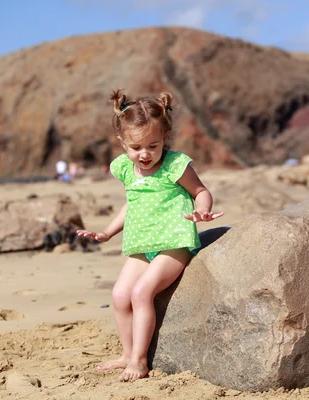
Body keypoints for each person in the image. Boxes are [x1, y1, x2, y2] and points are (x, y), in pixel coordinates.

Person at [76, 89, 224, 382]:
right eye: (136, 147)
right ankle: (126, 353)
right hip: (142, 244)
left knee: (141, 293)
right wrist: (107, 232)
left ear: (165, 138)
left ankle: (140, 360)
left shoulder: (174, 165)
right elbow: (131, 204)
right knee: (120, 295)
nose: (144, 153)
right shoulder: (126, 169)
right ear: (122, 143)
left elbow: (201, 192)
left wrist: (202, 211)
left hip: (174, 244)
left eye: (152, 145)